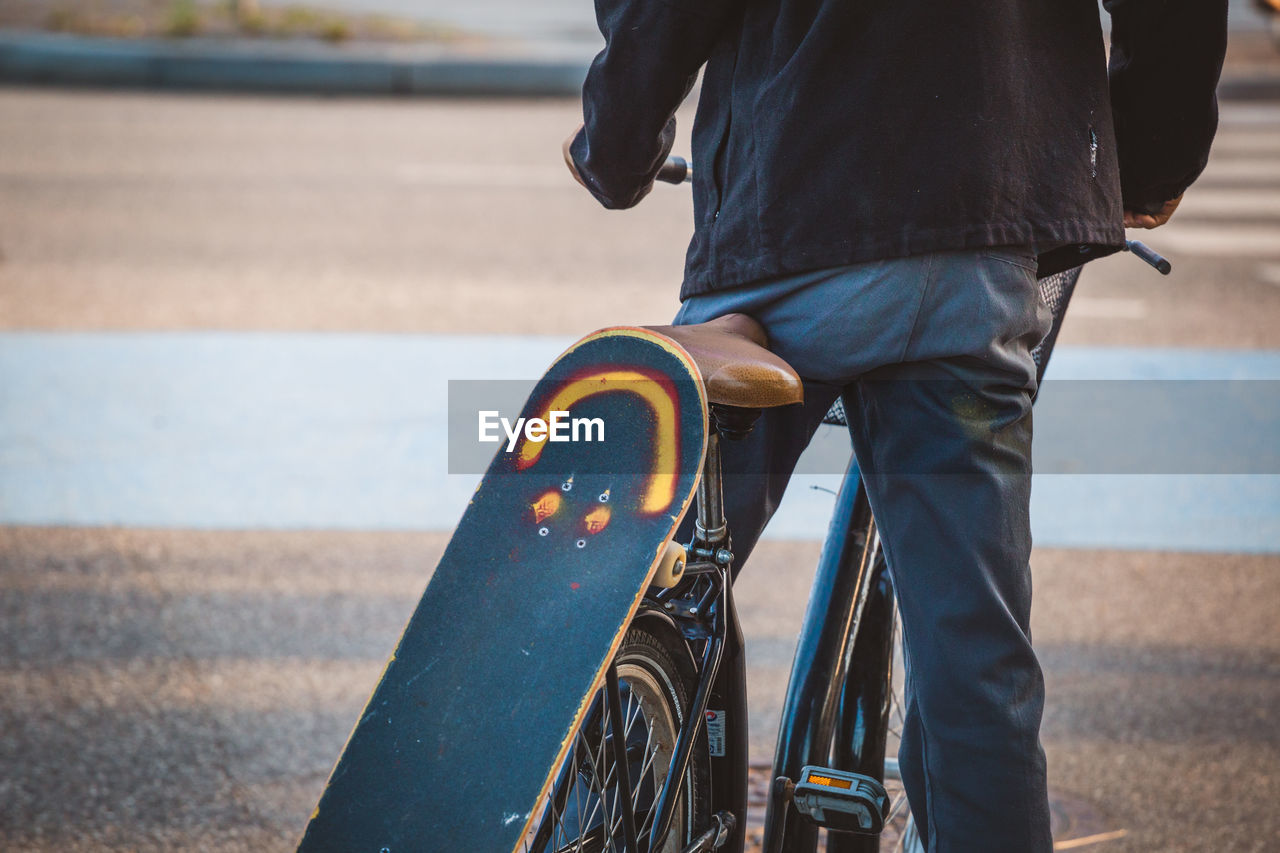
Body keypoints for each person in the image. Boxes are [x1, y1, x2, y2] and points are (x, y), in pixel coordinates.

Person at [562, 1, 1229, 850]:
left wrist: (615, 146)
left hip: (791, 215)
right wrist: (1150, 160)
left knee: (634, 579)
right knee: (975, 665)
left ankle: (577, 792)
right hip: (979, 226)